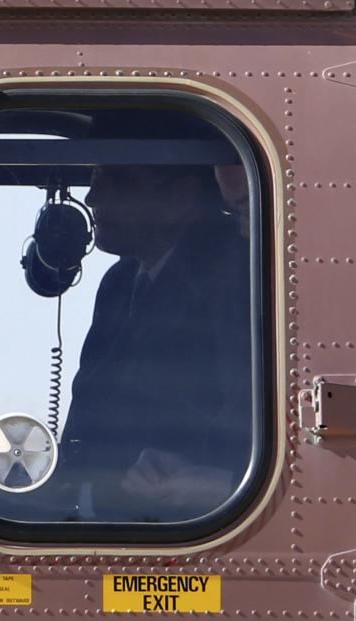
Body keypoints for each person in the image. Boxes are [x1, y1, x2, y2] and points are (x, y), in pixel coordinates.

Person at [58, 158, 252, 522]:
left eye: (114, 180)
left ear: (181, 196)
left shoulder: (235, 273)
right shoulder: (120, 281)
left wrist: (221, 481)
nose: (92, 195)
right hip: (105, 505)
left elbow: (242, 402)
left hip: (184, 521)